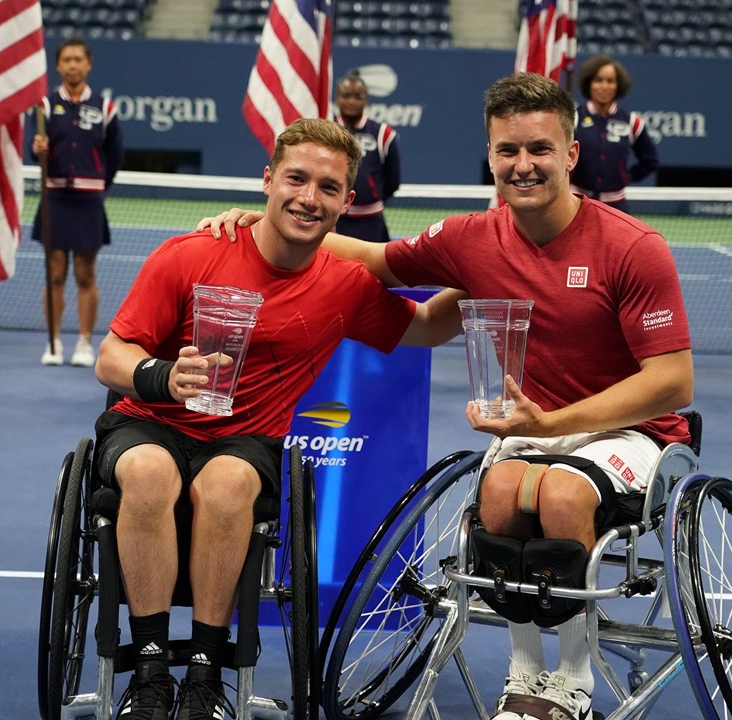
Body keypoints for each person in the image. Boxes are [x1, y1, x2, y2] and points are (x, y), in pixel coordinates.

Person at [201, 72, 694, 720]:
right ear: (490, 156)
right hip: (534, 428)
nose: (524, 165)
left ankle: (571, 681)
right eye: (508, 151)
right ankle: (525, 672)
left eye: (539, 149)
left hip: (633, 432)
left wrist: (554, 426)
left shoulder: (635, 248)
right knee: (496, 494)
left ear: (570, 155)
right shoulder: (471, 239)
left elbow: (672, 381)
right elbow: (377, 261)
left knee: (564, 492)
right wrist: (265, 225)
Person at [93, 118, 464, 720]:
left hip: (244, 441)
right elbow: (111, 357)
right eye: (295, 178)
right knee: (148, 471)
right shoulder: (190, 253)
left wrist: (489, 277)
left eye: (327, 187)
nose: (307, 198)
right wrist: (164, 376)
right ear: (268, 180)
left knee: (229, 483)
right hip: (151, 421)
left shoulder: (345, 285)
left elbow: (424, 328)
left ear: (347, 202)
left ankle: (208, 671)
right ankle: (153, 669)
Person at [32, 36, 124, 368]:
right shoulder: (43, 107)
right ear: (58, 65)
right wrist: (37, 150)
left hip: (88, 201)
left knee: (85, 273)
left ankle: (85, 342)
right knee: (54, 273)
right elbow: (37, 155)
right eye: (66, 60)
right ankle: (54, 341)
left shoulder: (104, 108)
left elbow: (114, 155)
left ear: (88, 64)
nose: (72, 65)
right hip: (54, 197)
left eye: (78, 59)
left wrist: (98, 185)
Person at [569, 54, 658, 214]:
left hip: (616, 206)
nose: (604, 86)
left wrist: (626, 176)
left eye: (610, 81)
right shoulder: (573, 119)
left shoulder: (632, 122)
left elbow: (650, 161)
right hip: (577, 202)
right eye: (598, 80)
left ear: (618, 85)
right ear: (589, 84)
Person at [332, 70, 402, 243]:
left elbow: (393, 180)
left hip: (372, 222)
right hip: (333, 219)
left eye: (358, 96)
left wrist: (371, 196)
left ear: (367, 100)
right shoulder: (324, 130)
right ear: (336, 98)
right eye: (346, 95)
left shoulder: (383, 134)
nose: (351, 101)